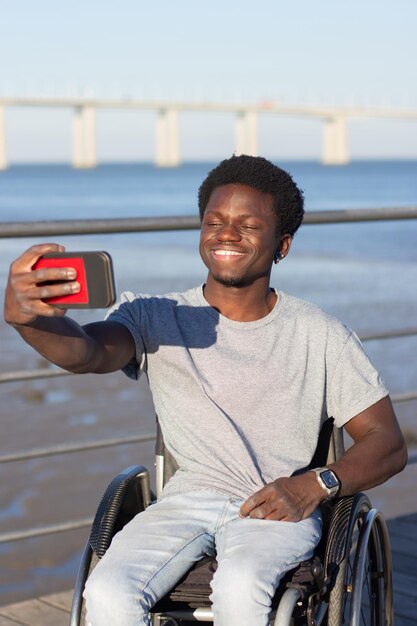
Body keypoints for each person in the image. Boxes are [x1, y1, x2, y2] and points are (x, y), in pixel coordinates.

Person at [4, 155, 407, 626]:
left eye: (247, 224)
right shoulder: (153, 316)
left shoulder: (321, 334)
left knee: (240, 587)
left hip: (277, 508)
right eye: (214, 221)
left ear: (283, 244)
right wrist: (26, 320)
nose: (226, 233)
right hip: (184, 502)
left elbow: (387, 443)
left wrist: (315, 485)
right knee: (107, 591)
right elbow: (88, 353)